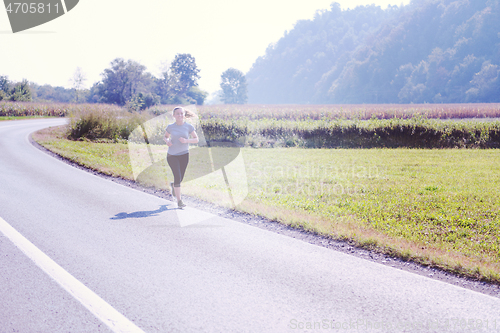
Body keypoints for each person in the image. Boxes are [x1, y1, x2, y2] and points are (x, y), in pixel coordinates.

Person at [164, 107, 199, 208]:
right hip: (172, 155)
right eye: (177, 114)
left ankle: (174, 185)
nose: (179, 115)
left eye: (181, 113)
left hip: (184, 155)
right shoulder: (170, 127)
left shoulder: (189, 127)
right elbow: (165, 136)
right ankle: (179, 201)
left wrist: (186, 141)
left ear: (184, 115)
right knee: (178, 176)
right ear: (174, 115)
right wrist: (167, 141)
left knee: (180, 178)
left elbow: (196, 139)